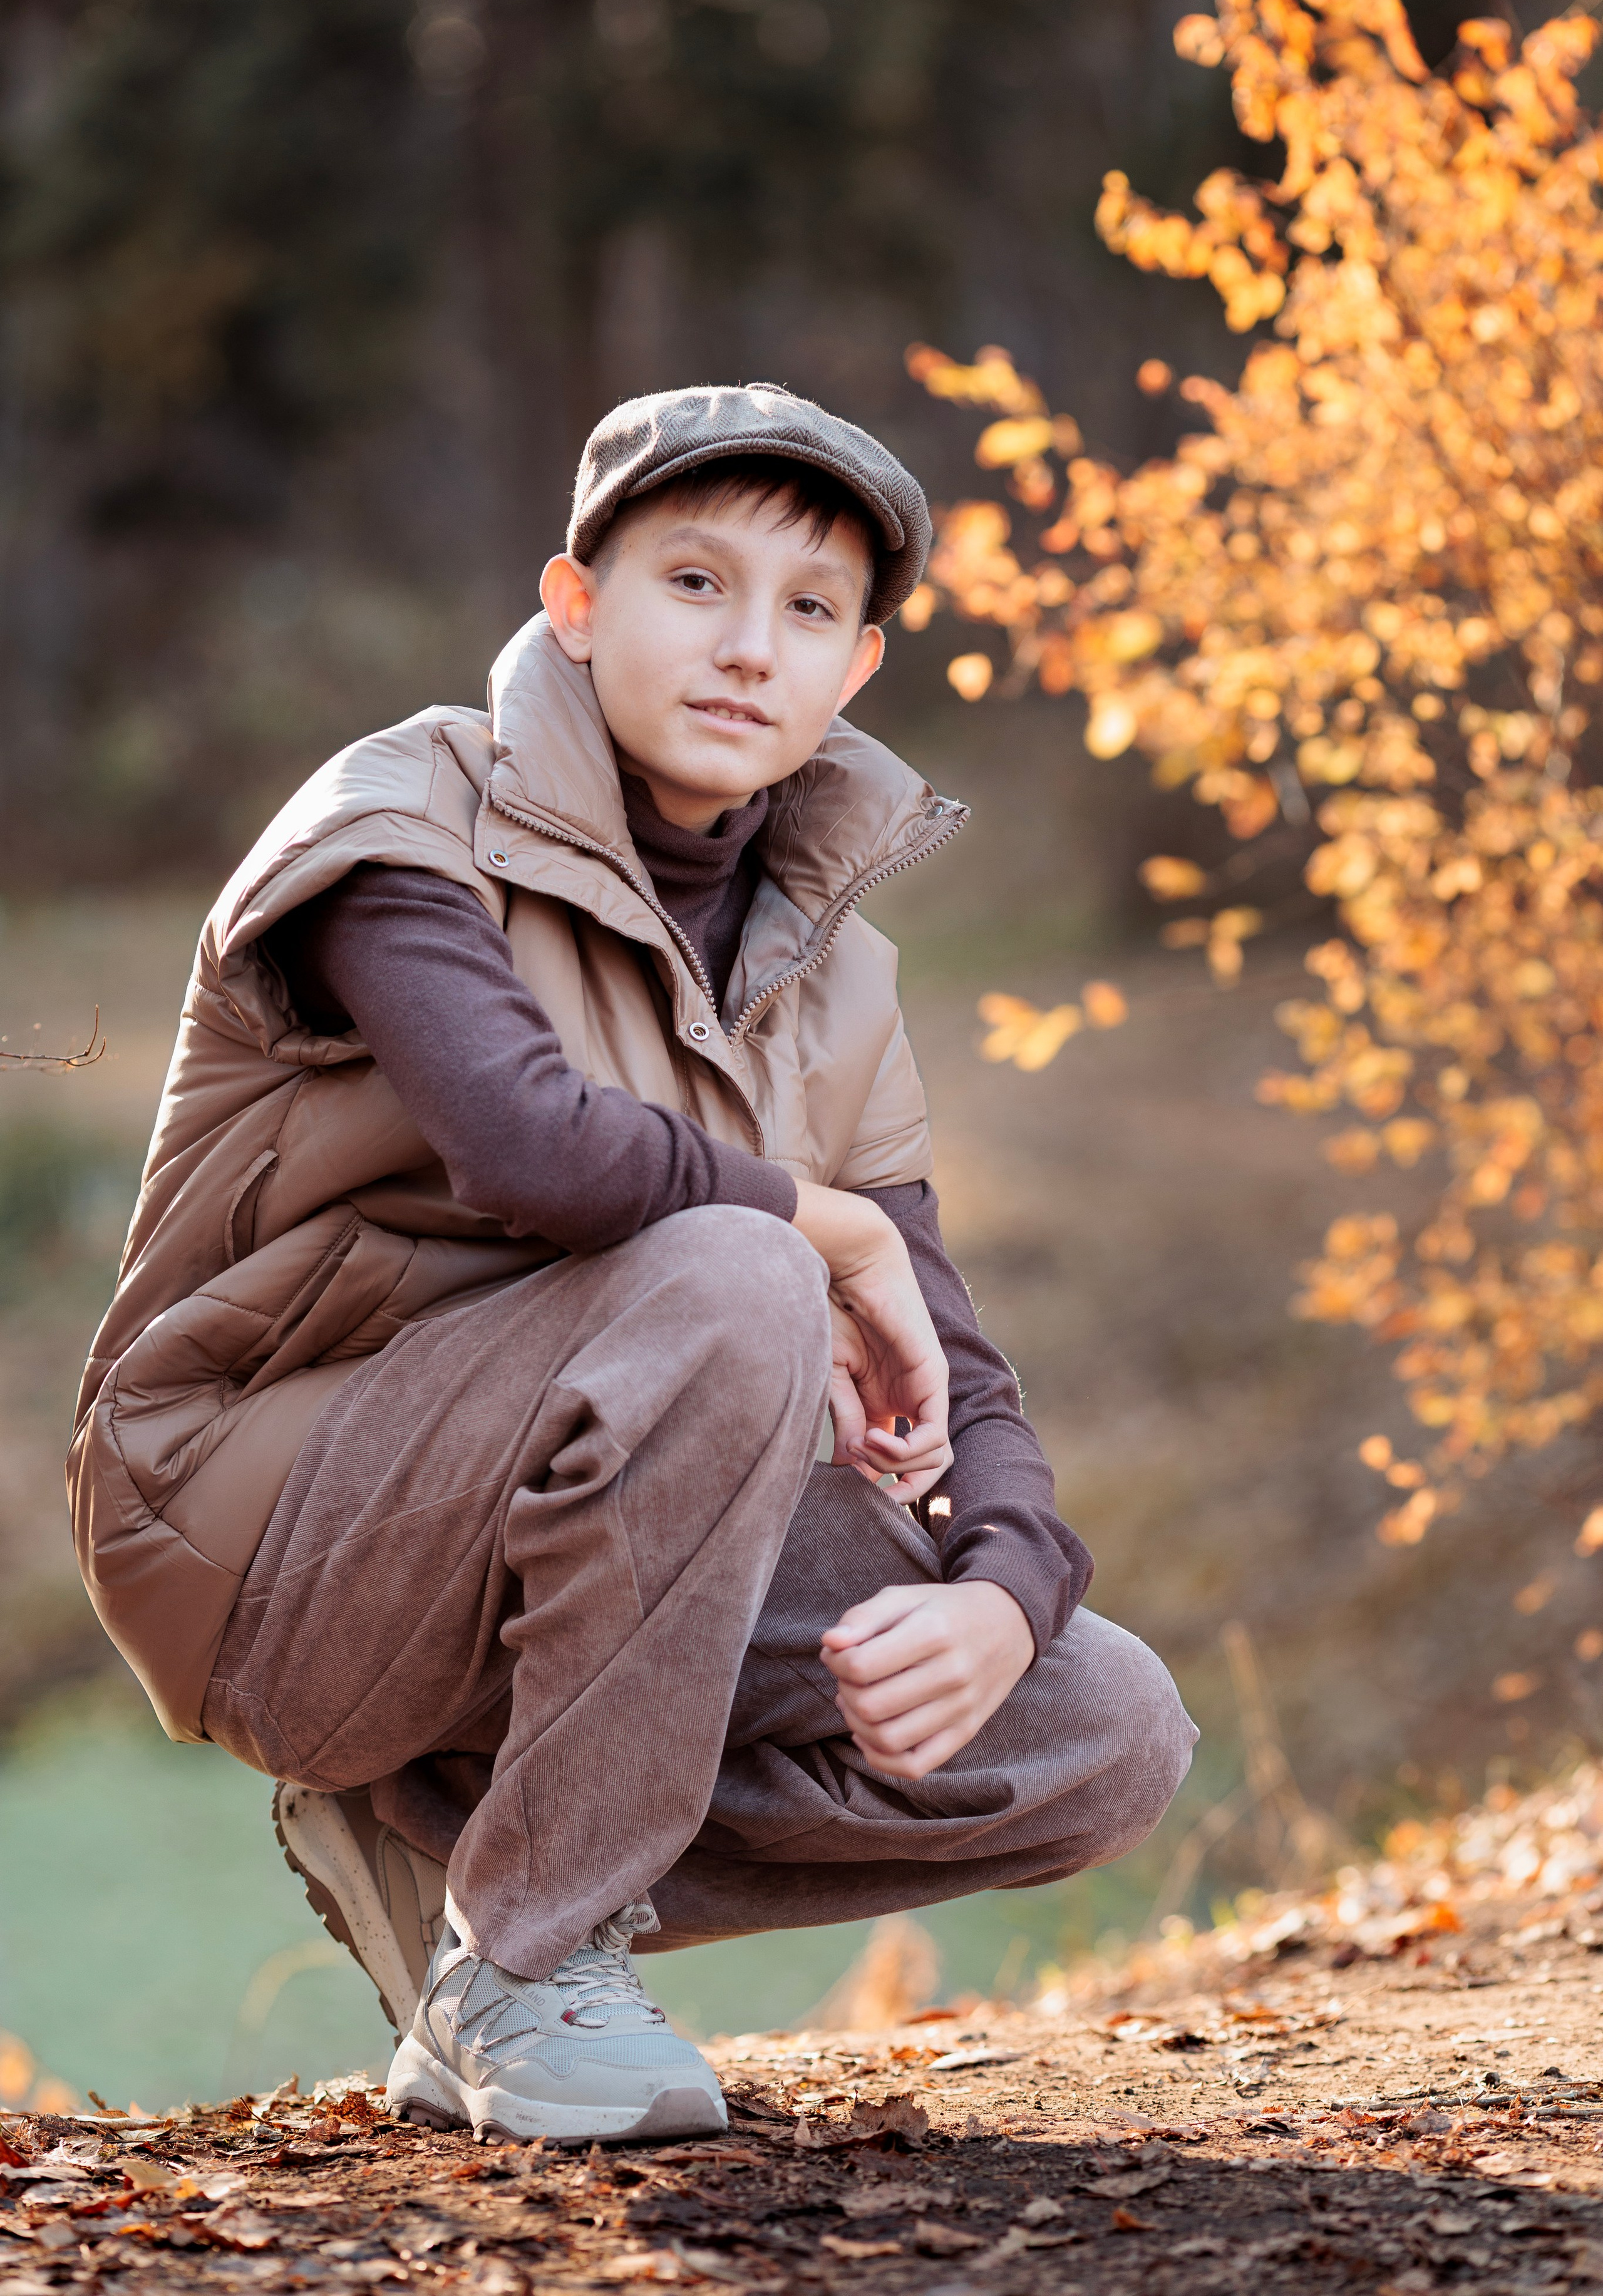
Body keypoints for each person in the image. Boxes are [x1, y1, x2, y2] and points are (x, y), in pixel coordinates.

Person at [71, 383, 1196, 2146]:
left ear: (857, 669)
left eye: (808, 609)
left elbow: (953, 1362)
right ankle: (528, 1965)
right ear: (575, 605)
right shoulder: (402, 818)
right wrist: (815, 1226)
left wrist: (1004, 1584)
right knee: (742, 1274)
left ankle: (466, 1840)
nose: (751, 648)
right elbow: (530, 1146)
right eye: (695, 582)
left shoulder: (838, 980)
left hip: (579, 1516)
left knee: (1107, 1723)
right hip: (263, 1520)